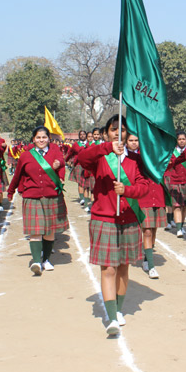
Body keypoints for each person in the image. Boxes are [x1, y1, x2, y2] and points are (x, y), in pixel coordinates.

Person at [77, 114, 148, 335]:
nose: (118, 133)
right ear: (106, 133)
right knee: (108, 268)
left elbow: (144, 187)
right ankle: (112, 317)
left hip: (128, 219)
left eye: (122, 129)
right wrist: (107, 148)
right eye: (113, 129)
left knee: (124, 266)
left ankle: (118, 308)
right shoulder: (100, 156)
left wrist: (127, 190)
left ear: (127, 134)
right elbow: (82, 158)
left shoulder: (135, 160)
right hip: (104, 218)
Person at [8, 126, 69, 275]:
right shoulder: (26, 156)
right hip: (32, 196)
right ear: (33, 139)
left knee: (49, 231)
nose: (41, 140)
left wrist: (59, 166)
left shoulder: (55, 151)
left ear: (49, 139)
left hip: (51, 196)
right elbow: (17, 175)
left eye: (44, 137)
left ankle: (46, 260)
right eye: (38, 137)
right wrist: (11, 190)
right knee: (35, 231)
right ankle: (36, 261)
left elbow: (62, 162)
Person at [125, 133, 164, 279]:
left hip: (157, 194)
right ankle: (151, 266)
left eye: (137, 140)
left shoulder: (151, 155)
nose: (134, 143)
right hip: (142, 197)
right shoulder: (127, 157)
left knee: (153, 231)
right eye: (131, 140)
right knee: (146, 231)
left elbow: (169, 161)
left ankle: (147, 257)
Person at [168, 131, 186, 238]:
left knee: (184, 206)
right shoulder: (172, 152)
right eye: (179, 139)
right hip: (175, 181)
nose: (181, 141)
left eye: (183, 139)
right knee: (176, 205)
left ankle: (182, 225)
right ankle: (179, 228)